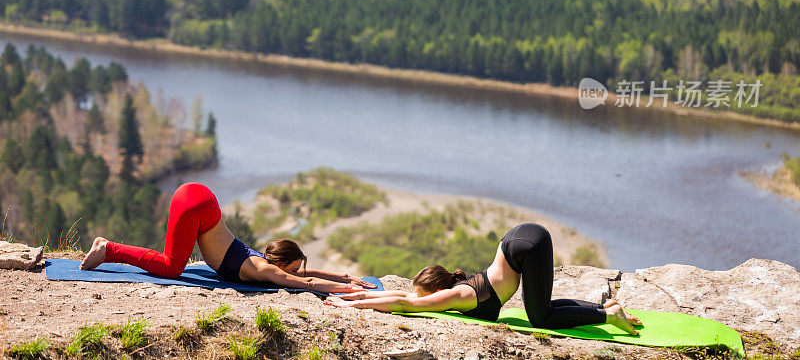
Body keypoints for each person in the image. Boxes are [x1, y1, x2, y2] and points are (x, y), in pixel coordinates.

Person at [324, 223, 641, 334]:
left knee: (539, 319)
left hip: (525, 245)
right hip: (520, 240)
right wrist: (358, 295)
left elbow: (404, 304)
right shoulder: (456, 288)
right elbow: (403, 294)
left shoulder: (456, 297)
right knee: (540, 306)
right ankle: (607, 304)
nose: (422, 299)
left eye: (425, 295)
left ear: (438, 290)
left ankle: (606, 314)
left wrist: (355, 302)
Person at [80, 182, 373, 294]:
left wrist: (347, 277)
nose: (295, 274)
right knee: (171, 267)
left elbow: (305, 274)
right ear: (281, 265)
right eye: (292, 269)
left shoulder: (267, 262)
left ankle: (108, 247)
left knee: (173, 263)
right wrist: (348, 290)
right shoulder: (265, 270)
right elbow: (307, 282)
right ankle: (108, 249)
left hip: (201, 199)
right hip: (197, 208)